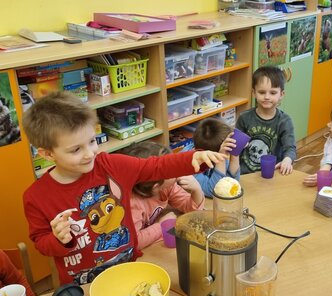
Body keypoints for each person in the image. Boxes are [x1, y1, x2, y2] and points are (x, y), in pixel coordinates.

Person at [21, 92, 225, 285]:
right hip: (83, 283)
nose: (90, 153)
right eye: (76, 149)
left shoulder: (111, 165)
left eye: (92, 141)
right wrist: (58, 239)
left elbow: (155, 166)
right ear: (47, 154)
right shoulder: (36, 197)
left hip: (129, 267)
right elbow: (41, 243)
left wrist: (193, 158)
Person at [120, 142, 205, 249]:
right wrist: (161, 225)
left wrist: (196, 190)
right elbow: (134, 242)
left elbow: (191, 210)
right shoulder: (132, 203)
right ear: (155, 186)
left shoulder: (166, 187)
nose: (177, 173)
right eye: (170, 171)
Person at [236, 66, 296, 175]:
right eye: (262, 92)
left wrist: (287, 160)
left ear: (281, 94)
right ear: (254, 93)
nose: (267, 97)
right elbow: (235, 148)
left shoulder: (285, 121)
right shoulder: (244, 118)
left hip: (271, 173)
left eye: (273, 93)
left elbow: (290, 148)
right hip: (245, 174)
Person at [192, 118, 240, 198]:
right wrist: (221, 158)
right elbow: (214, 192)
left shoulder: (219, 150)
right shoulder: (191, 163)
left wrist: (235, 154)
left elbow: (231, 184)